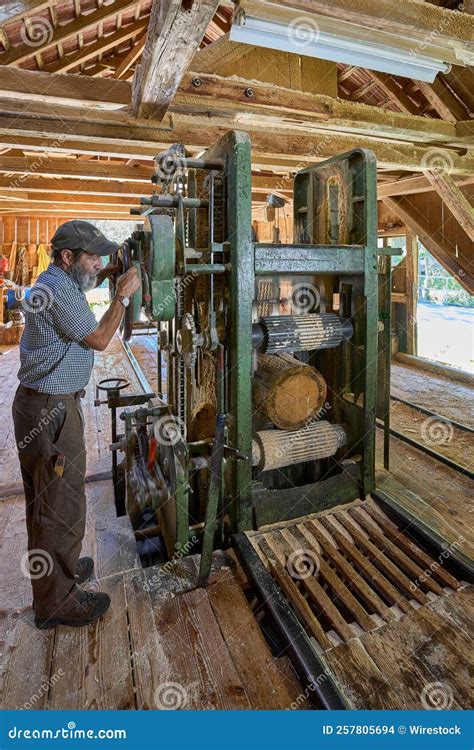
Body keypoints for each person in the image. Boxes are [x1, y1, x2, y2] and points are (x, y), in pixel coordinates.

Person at [12, 220, 141, 629]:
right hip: (50, 412)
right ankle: (57, 604)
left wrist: (111, 275)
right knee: (61, 508)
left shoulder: (59, 283)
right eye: (92, 257)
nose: (99, 264)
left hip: (42, 406)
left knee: (46, 504)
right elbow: (101, 340)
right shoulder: (56, 292)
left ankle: (58, 575)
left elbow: (94, 280)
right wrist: (120, 297)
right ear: (68, 257)